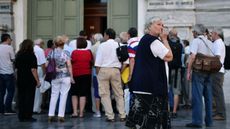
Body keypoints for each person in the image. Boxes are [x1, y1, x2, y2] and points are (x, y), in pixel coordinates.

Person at [125, 17, 173, 129]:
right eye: (158, 24)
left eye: (162, 25)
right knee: (149, 122)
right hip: (149, 87)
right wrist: (165, 39)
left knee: (140, 122)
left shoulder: (144, 39)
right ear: (149, 26)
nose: (161, 27)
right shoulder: (153, 41)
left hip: (141, 85)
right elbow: (169, 57)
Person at [95, 28, 126, 122]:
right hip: (116, 70)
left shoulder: (102, 46)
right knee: (119, 93)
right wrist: (120, 71)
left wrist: (98, 73)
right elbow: (125, 61)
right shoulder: (119, 45)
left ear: (107, 35)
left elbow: (98, 62)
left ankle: (110, 116)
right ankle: (122, 115)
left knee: (105, 94)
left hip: (104, 70)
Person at [186, 24, 214, 128]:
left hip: (198, 72)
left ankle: (197, 121)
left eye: (193, 31)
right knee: (208, 98)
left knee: (197, 97)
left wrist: (189, 71)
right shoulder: (210, 42)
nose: (193, 33)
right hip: (209, 71)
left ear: (196, 32)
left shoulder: (196, 41)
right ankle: (209, 121)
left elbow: (192, 56)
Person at [47, 36, 74, 122]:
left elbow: (47, 65)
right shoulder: (66, 52)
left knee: (54, 95)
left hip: (55, 76)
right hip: (65, 75)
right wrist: (72, 77)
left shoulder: (51, 52)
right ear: (63, 44)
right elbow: (69, 65)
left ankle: (51, 114)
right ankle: (61, 115)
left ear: (55, 43)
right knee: (64, 95)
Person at [15, 39, 40, 122]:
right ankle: (28, 116)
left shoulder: (18, 55)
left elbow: (16, 69)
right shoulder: (32, 55)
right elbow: (33, 69)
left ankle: (21, 116)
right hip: (29, 80)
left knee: (21, 97)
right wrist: (38, 80)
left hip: (21, 79)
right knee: (29, 98)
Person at [70, 37, 93, 118]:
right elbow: (91, 62)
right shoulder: (88, 52)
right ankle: (81, 113)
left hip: (75, 74)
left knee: (74, 93)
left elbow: (71, 62)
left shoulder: (74, 52)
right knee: (83, 94)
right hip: (86, 74)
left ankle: (75, 112)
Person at [211, 27, 226, 120]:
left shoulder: (217, 43)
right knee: (217, 93)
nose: (211, 35)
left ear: (216, 34)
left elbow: (217, 57)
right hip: (218, 71)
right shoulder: (219, 42)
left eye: (212, 33)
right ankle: (218, 112)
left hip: (217, 71)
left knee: (218, 93)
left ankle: (221, 113)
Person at [167, 28, 183, 118]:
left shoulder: (167, 44)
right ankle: (174, 111)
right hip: (177, 70)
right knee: (176, 91)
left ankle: (168, 109)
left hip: (168, 69)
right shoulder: (180, 45)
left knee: (167, 90)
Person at [0, 33, 16, 115]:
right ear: (7, 39)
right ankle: (8, 109)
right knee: (11, 91)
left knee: (1, 92)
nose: (11, 40)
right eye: (10, 39)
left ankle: (1, 109)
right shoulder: (9, 47)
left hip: (0, 72)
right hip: (8, 72)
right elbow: (13, 59)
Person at [91, 33, 104, 118]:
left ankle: (97, 110)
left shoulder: (93, 47)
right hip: (105, 70)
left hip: (96, 70)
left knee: (96, 91)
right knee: (105, 91)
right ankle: (105, 109)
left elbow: (93, 61)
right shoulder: (104, 46)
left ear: (95, 39)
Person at [33, 39, 46, 114]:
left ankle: (33, 107)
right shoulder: (40, 50)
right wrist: (44, 73)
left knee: (34, 89)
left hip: (33, 69)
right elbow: (43, 63)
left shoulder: (32, 49)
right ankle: (37, 108)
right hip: (39, 69)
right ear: (40, 44)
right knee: (39, 88)